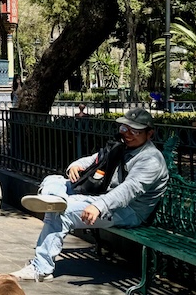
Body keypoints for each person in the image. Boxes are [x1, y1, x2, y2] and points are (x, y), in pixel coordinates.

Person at [11, 107, 168, 282]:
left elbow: (129, 189)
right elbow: (96, 159)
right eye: (124, 128)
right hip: (103, 194)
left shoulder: (150, 160)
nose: (128, 133)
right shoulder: (122, 146)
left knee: (62, 213)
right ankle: (56, 199)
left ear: (149, 134)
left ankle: (41, 269)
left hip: (128, 210)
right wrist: (76, 165)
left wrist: (98, 206)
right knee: (53, 180)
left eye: (135, 130)